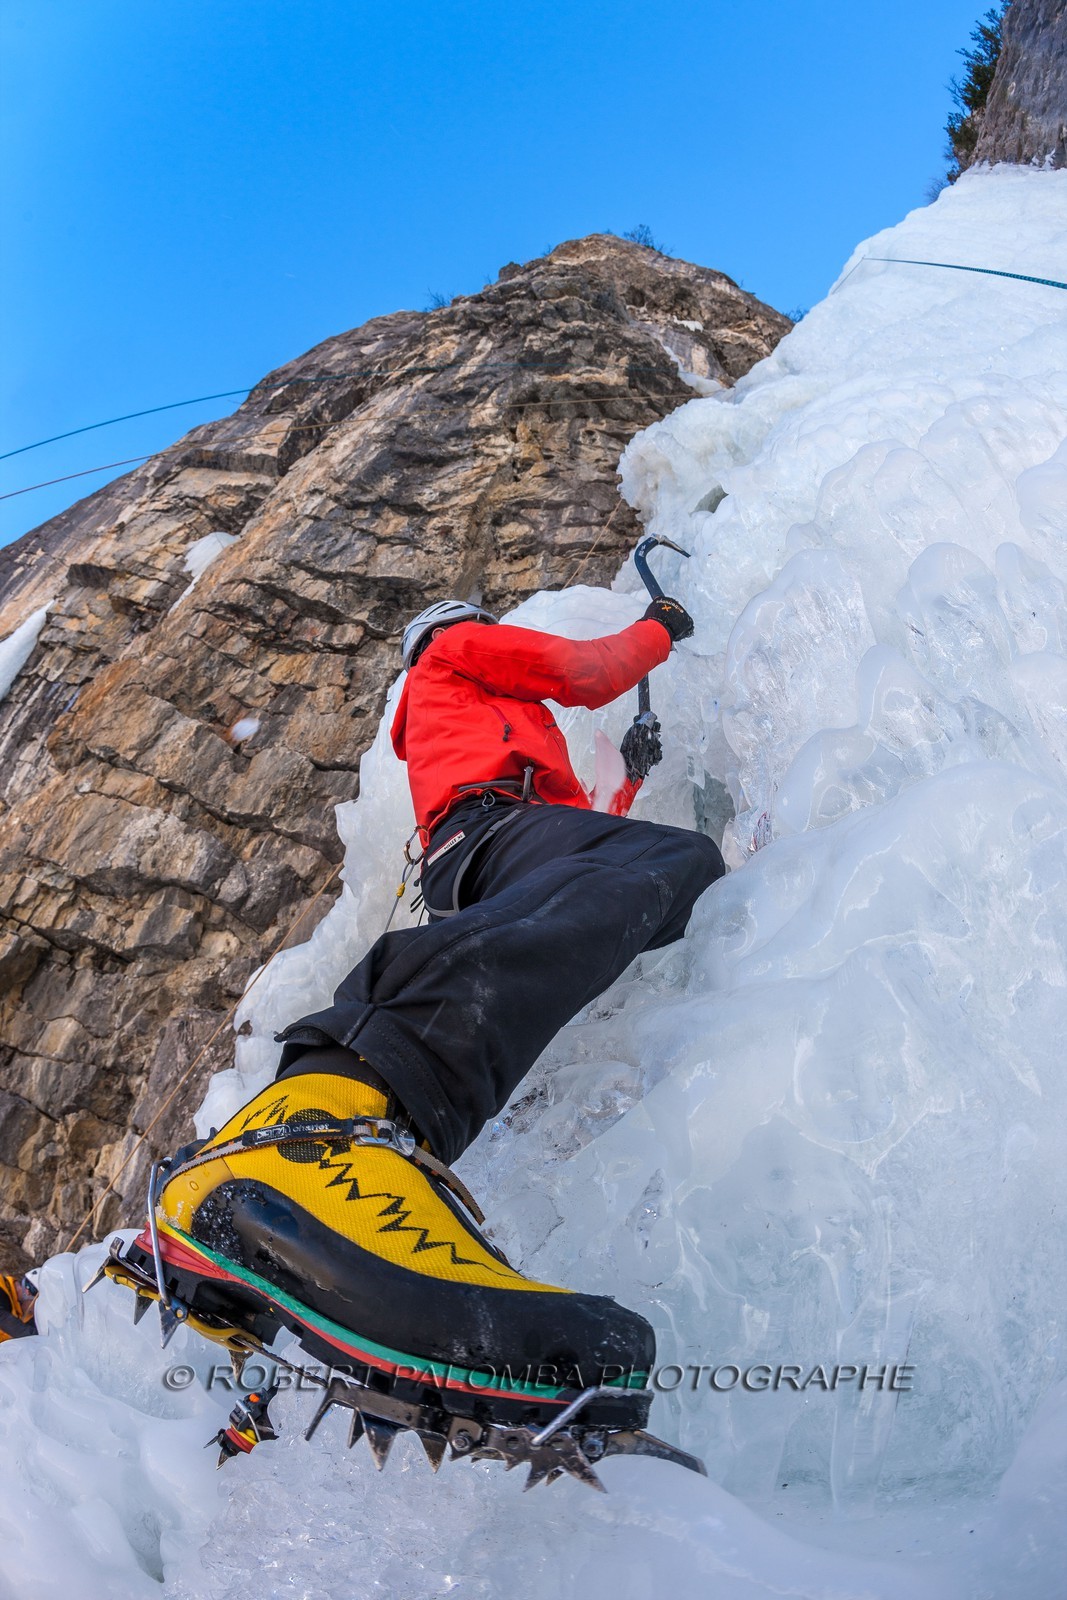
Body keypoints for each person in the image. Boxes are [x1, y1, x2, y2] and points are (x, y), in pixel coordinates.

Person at [150, 593, 725, 1445]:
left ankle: (356, 1246)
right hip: (491, 830)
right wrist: (661, 628)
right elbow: (582, 673)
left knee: (640, 880)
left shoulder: (463, 714)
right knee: (674, 860)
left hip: (487, 843)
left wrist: (630, 778)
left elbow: (573, 867)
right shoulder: (456, 652)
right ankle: (304, 1137)